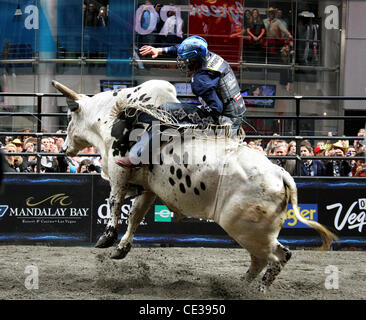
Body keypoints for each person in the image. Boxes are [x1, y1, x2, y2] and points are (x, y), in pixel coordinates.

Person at [116, 35, 246, 168]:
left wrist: (188, 116)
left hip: (223, 120)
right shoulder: (210, 57)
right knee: (173, 110)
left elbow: (215, 108)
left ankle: (139, 157)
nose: (182, 62)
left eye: (185, 60)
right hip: (235, 112)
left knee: (166, 115)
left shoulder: (200, 80)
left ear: (193, 61)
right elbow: (180, 49)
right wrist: (158, 51)